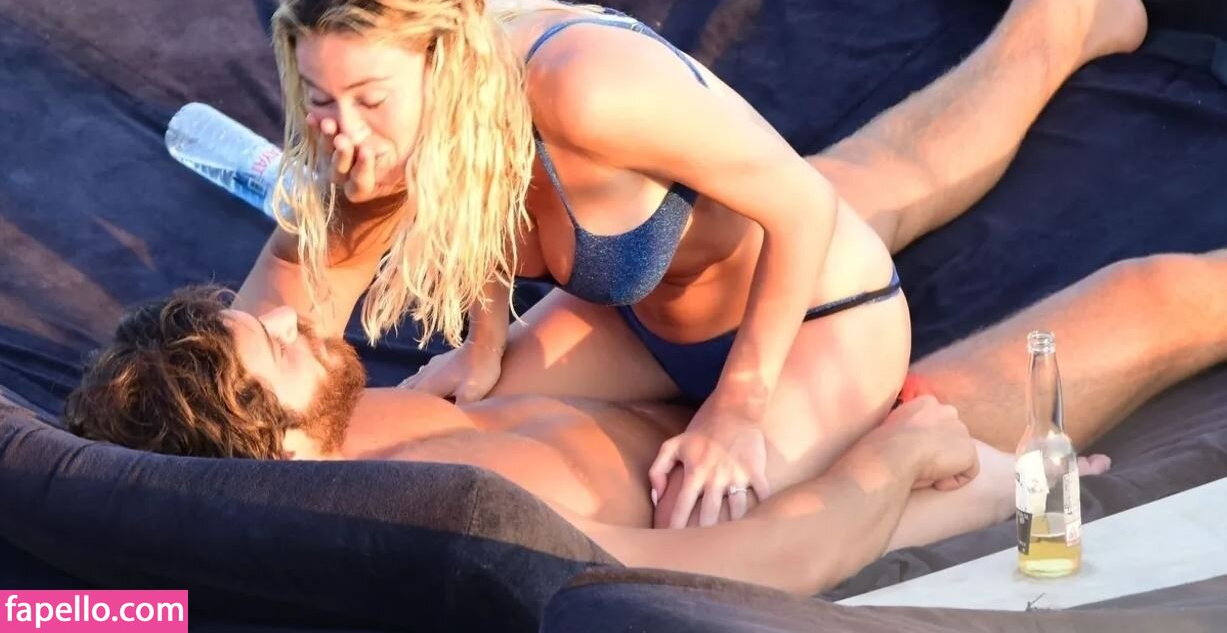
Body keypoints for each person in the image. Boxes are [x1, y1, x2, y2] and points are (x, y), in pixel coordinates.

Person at [233, 0, 1153, 528]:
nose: (340, 128)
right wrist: (481, 346)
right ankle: (1066, 6)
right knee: (441, 409)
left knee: (714, 518)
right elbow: (472, 200)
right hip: (640, 316)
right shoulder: (377, 122)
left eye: (367, 99)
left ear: (446, 60)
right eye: (319, 97)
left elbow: (803, 206)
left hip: (815, 317)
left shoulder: (586, 89)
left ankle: (994, 471)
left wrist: (739, 409)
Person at [66, 284, 1098, 595]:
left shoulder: (347, 418)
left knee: (799, 216)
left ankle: (1051, 23)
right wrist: (900, 452)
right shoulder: (436, 520)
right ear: (274, 450)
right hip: (830, 480)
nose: (294, 317)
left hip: (736, 400)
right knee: (1149, 297)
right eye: (276, 345)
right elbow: (753, 566)